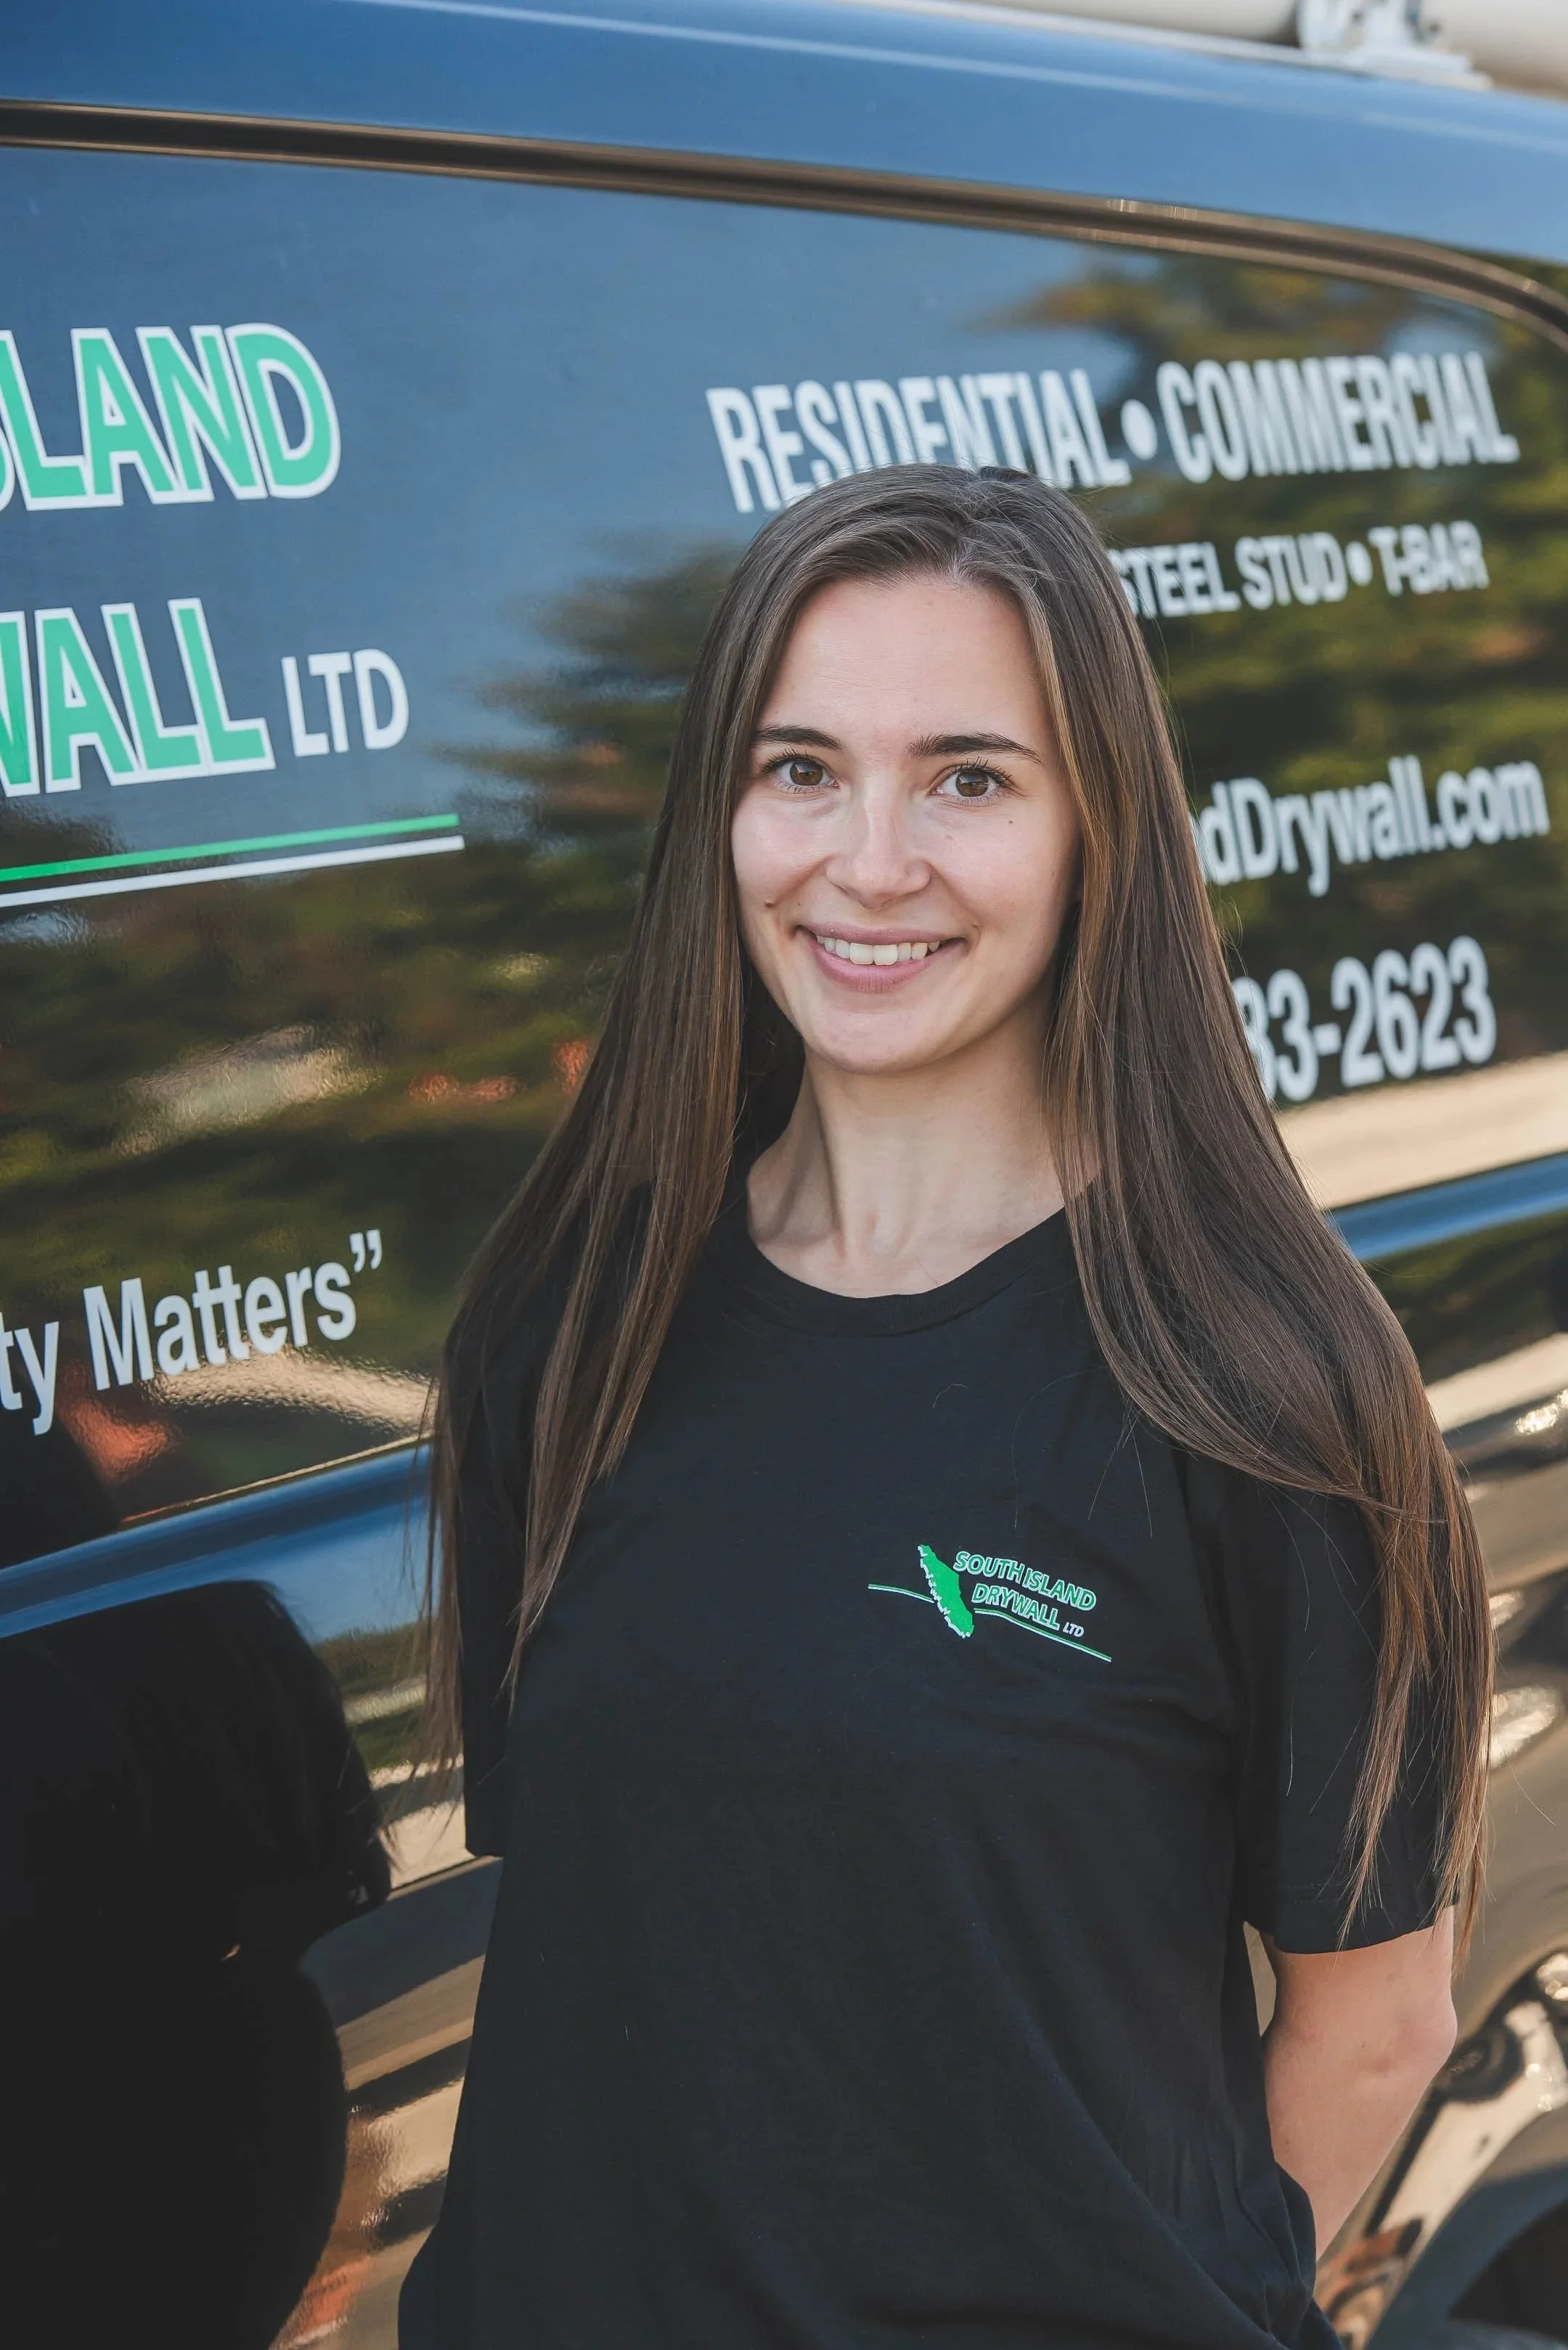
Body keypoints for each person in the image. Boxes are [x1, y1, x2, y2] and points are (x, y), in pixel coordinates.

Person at [400, 466, 1491, 2350]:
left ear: (1097, 829)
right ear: (720, 813)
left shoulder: (1255, 1379)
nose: (871, 857)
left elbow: (1377, 2021)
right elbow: (607, 1951)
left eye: (969, 775)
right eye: (800, 766)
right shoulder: (571, 1322)